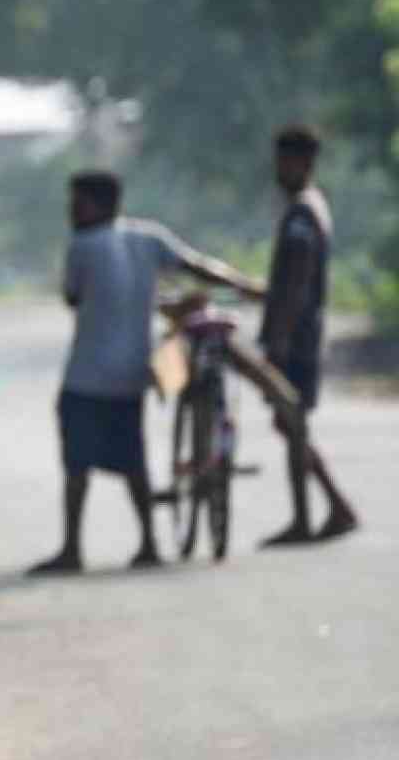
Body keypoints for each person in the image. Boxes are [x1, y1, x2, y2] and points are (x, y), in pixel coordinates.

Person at [30, 171, 260, 575]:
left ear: (100, 204)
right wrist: (245, 285)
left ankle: (72, 548)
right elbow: (198, 266)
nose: (71, 211)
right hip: (132, 375)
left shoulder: (82, 245)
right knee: (133, 460)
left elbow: (73, 297)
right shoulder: (149, 238)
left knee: (77, 465)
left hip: (86, 375)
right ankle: (149, 542)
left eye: (77, 202)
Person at [258, 124, 361, 546]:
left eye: (285, 161)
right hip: (302, 333)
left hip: (296, 338)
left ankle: (322, 512)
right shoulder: (313, 205)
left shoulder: (302, 211)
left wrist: (280, 334)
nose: (279, 169)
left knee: (292, 422)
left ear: (302, 163)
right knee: (290, 424)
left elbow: (298, 276)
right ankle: (324, 509)